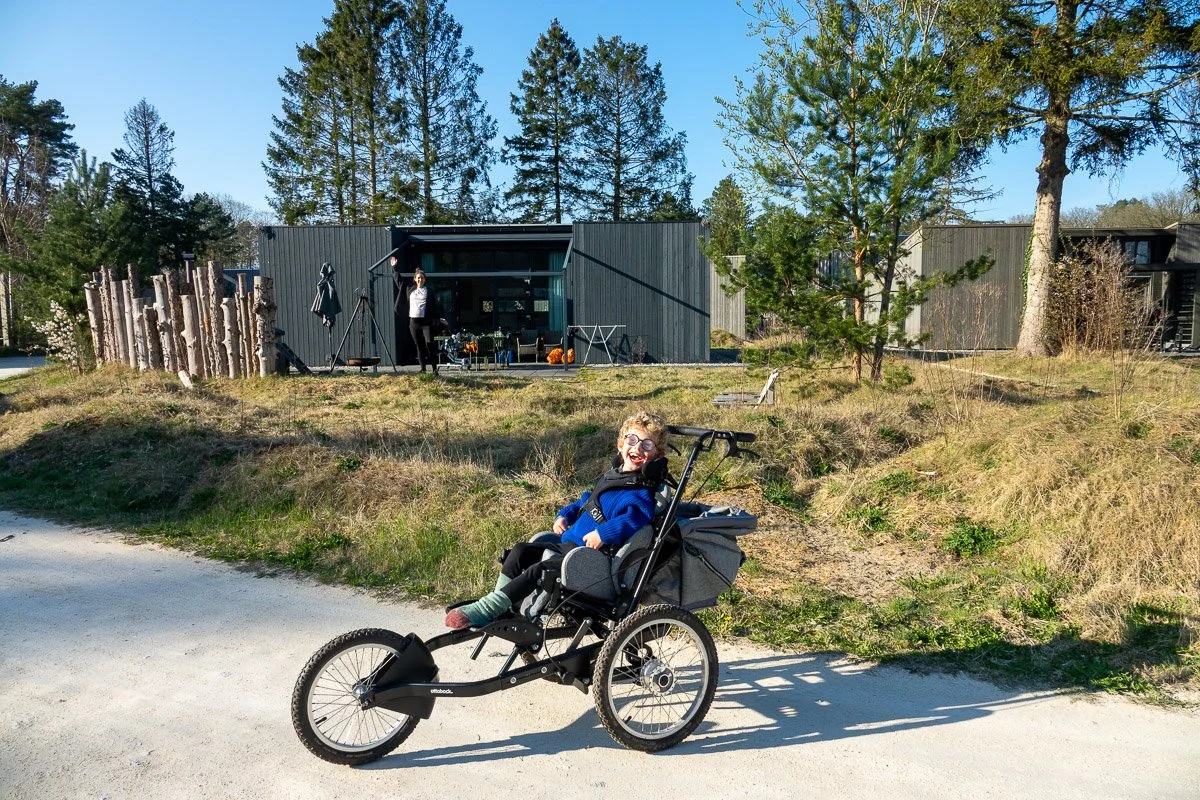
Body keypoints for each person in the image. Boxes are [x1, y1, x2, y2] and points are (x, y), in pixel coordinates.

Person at [445, 411, 670, 629]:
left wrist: (604, 533)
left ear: (656, 457)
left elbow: (636, 519)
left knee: (540, 570)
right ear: (620, 444)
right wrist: (564, 514)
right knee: (521, 551)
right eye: (632, 439)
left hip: (590, 559)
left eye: (647, 445)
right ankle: (503, 607)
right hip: (569, 544)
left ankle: (487, 608)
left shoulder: (640, 493)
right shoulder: (614, 476)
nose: (638, 447)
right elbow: (586, 502)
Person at [398, 266, 442, 374]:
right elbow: (399, 281)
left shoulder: (429, 291)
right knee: (420, 347)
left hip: (426, 323)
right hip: (414, 323)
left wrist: (439, 318)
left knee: (430, 344)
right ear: (415, 279)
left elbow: (435, 306)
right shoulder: (410, 290)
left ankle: (435, 369)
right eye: (418, 278)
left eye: (422, 278)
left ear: (425, 279)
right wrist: (395, 268)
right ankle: (423, 369)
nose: (420, 279)